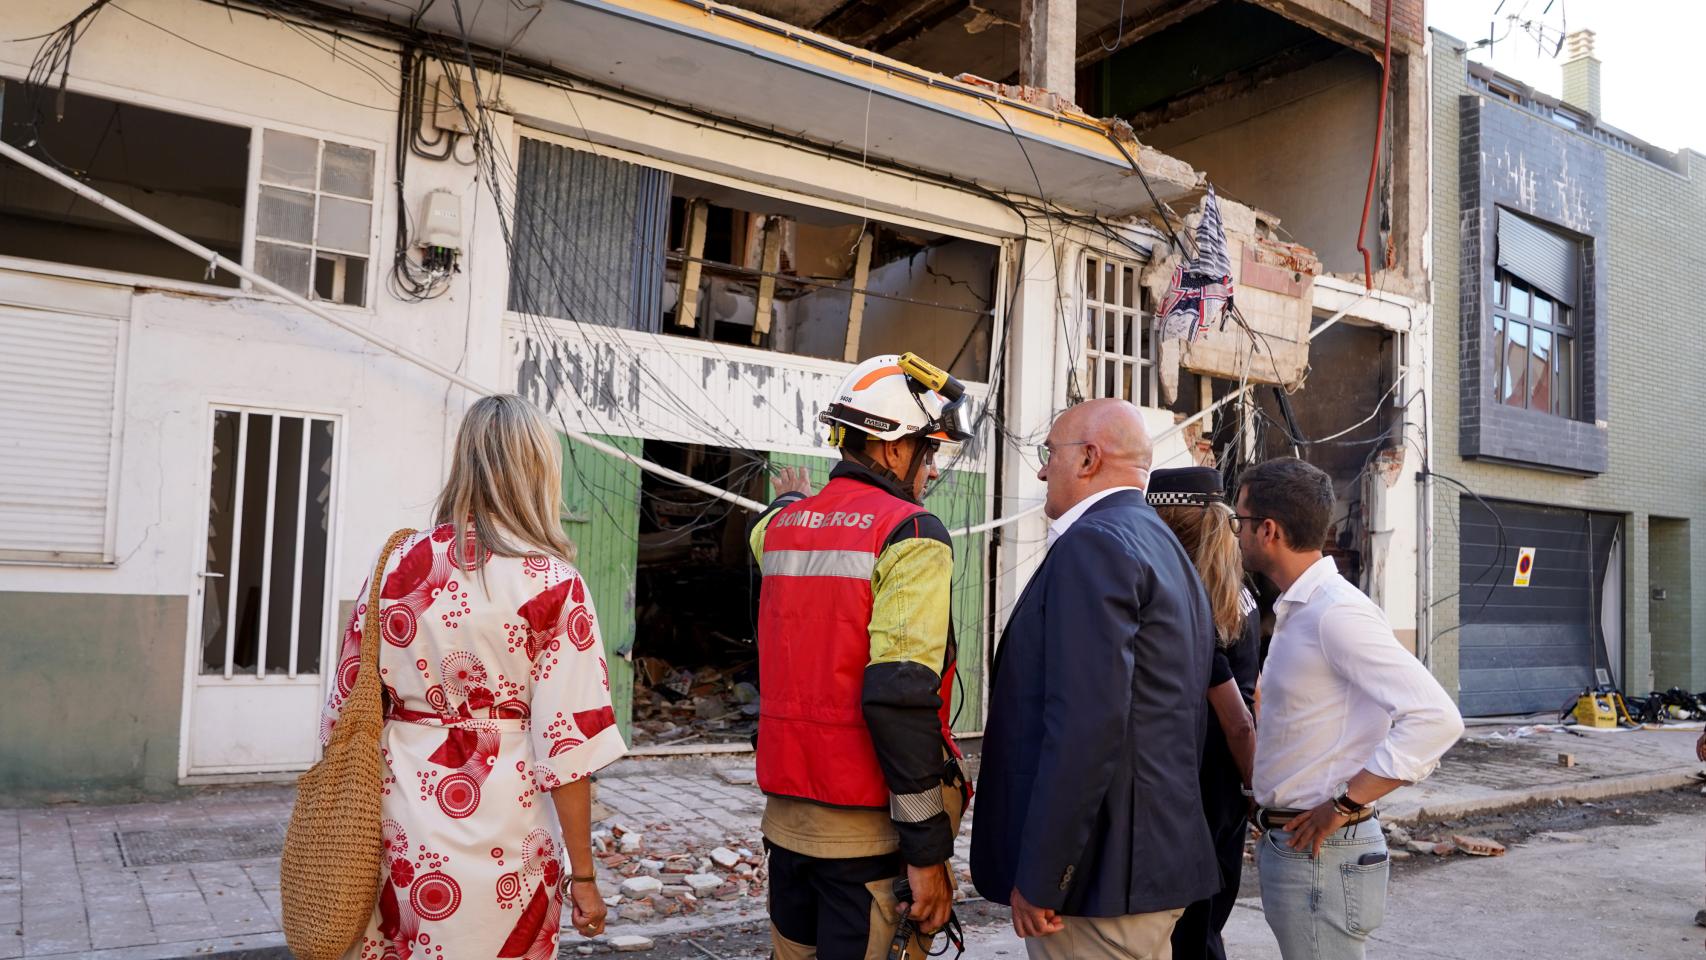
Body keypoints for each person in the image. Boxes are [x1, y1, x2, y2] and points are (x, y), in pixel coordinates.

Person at [321, 395, 626, 958]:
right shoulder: (554, 584)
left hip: (399, 819)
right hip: (508, 828)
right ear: (539, 471)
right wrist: (583, 875)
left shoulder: (395, 564)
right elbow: (568, 747)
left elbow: (343, 707)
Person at [971, 398, 1220, 960]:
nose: (1040, 470)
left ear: (1087, 458)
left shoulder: (1095, 545)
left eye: (1047, 454)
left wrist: (1042, 876)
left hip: (1100, 884)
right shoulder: (1160, 545)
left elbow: (1086, 726)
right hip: (1143, 866)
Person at [749, 352, 973, 960]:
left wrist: (790, 501)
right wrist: (927, 855)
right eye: (928, 453)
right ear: (894, 449)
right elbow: (900, 697)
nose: (928, 472)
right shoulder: (913, 534)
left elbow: (770, 525)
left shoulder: (782, 531)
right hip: (865, 841)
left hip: (786, 832)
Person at [1235, 458, 1464, 960]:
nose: (1237, 534)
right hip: (1298, 848)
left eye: (1241, 522)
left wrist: (1345, 803)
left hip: (1323, 853)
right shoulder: (1301, 609)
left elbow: (1436, 719)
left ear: (1268, 530)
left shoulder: (1336, 612)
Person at [1147, 467, 1259, 960]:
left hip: (1192, 784)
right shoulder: (1237, 593)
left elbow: (1236, 718)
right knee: (1209, 920)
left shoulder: (1185, 599)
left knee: (1186, 933)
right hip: (1227, 785)